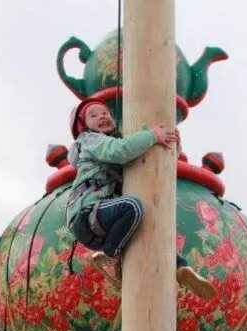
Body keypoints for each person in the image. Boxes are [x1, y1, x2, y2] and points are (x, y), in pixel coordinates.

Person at [65, 97, 215, 299]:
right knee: (134, 206)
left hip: (108, 220)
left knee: (152, 231)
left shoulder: (119, 140)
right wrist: (152, 134)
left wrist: (173, 144)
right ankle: (111, 255)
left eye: (105, 113)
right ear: (82, 127)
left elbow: (148, 159)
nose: (102, 116)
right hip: (86, 213)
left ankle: (180, 267)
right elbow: (119, 150)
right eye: (93, 115)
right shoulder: (89, 141)